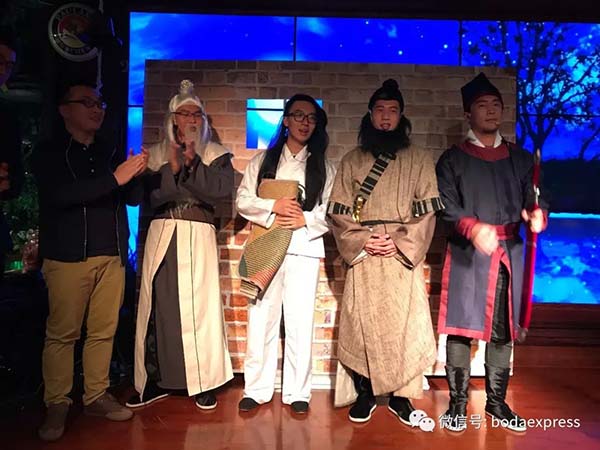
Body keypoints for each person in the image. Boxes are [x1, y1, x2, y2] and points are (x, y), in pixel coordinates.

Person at [33, 81, 147, 441]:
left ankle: (96, 394)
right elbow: (61, 195)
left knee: (103, 331)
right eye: (87, 103)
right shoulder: (49, 152)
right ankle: (57, 402)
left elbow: (130, 199)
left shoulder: (108, 149)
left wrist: (135, 176)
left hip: (111, 254)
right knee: (63, 334)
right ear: (64, 109)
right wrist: (116, 177)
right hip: (68, 257)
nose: (97, 109)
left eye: (100, 103)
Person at [436, 72, 547, 433]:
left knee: (503, 330)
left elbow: (535, 197)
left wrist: (537, 213)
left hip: (508, 254)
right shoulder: (452, 160)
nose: (491, 110)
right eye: (482, 105)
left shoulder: (520, 158)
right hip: (469, 252)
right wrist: (472, 226)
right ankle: (457, 404)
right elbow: (445, 205)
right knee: (461, 328)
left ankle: (497, 403)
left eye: (496, 104)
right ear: (468, 113)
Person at [327, 79, 443, 424]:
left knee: (403, 324)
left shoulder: (419, 159)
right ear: (370, 114)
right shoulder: (352, 160)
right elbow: (338, 211)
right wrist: (363, 240)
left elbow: (427, 213)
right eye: (380, 110)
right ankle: (364, 392)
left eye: (393, 110)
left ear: (402, 115)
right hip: (365, 251)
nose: (386, 116)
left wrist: (400, 242)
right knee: (361, 322)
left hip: (401, 253)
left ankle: (401, 397)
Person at [127, 80, 234, 410]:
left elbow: (219, 191)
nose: (191, 119)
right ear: (173, 118)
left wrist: (190, 164)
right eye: (185, 113)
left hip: (197, 232)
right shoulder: (155, 153)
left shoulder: (215, 154)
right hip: (163, 232)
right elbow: (146, 197)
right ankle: (156, 379)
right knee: (159, 306)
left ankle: (203, 381)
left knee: (198, 308)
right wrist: (157, 171)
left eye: (196, 114)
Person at [236, 94, 335, 414]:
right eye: (299, 115)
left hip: (303, 248)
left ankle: (298, 392)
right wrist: (273, 206)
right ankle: (256, 388)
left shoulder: (324, 167)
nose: (305, 122)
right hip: (266, 244)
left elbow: (332, 210)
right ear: (287, 120)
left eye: (311, 118)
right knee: (261, 317)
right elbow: (243, 200)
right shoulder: (262, 161)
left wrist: (306, 219)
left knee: (299, 321)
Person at [0, 29, 24, 275]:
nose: (3, 70)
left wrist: (8, 181)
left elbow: (16, 181)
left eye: (9, 65)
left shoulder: (7, 116)